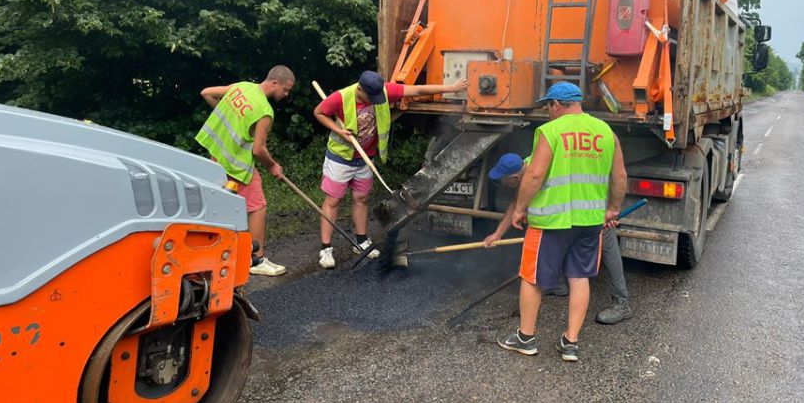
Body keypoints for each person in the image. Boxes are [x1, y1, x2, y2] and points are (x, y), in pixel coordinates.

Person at [497, 82, 627, 362]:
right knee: (579, 278)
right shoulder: (606, 132)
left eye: (548, 106)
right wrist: (612, 209)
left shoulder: (550, 131)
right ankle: (570, 342)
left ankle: (526, 338)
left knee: (532, 278)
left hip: (550, 221)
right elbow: (619, 177)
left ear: (557, 104)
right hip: (590, 221)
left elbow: (534, 175)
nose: (547, 111)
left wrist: (520, 208)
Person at [313, 70, 468, 269]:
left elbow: (417, 89)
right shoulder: (340, 98)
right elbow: (318, 112)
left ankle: (361, 242)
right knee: (333, 201)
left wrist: (450, 88)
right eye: (371, 97)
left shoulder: (382, 91)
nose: (376, 100)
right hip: (341, 158)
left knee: (361, 199)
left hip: (366, 158)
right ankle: (326, 249)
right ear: (360, 89)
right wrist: (339, 131)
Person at [485, 153, 632, 324]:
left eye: (504, 181)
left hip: (591, 203)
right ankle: (558, 285)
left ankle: (622, 304)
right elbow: (516, 203)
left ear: (515, 177)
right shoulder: (528, 165)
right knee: (559, 241)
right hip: (568, 210)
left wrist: (610, 211)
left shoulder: (539, 171)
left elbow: (616, 177)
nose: (503, 184)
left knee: (606, 247)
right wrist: (498, 234)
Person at [196, 65, 295, 276]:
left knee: (221, 207)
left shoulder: (242, 87)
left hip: (217, 157)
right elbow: (259, 150)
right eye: (286, 89)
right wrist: (273, 166)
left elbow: (206, 92)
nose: (286, 95)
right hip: (237, 165)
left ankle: (212, 254)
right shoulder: (265, 111)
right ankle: (256, 261)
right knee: (258, 207)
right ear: (275, 83)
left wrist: (225, 113)